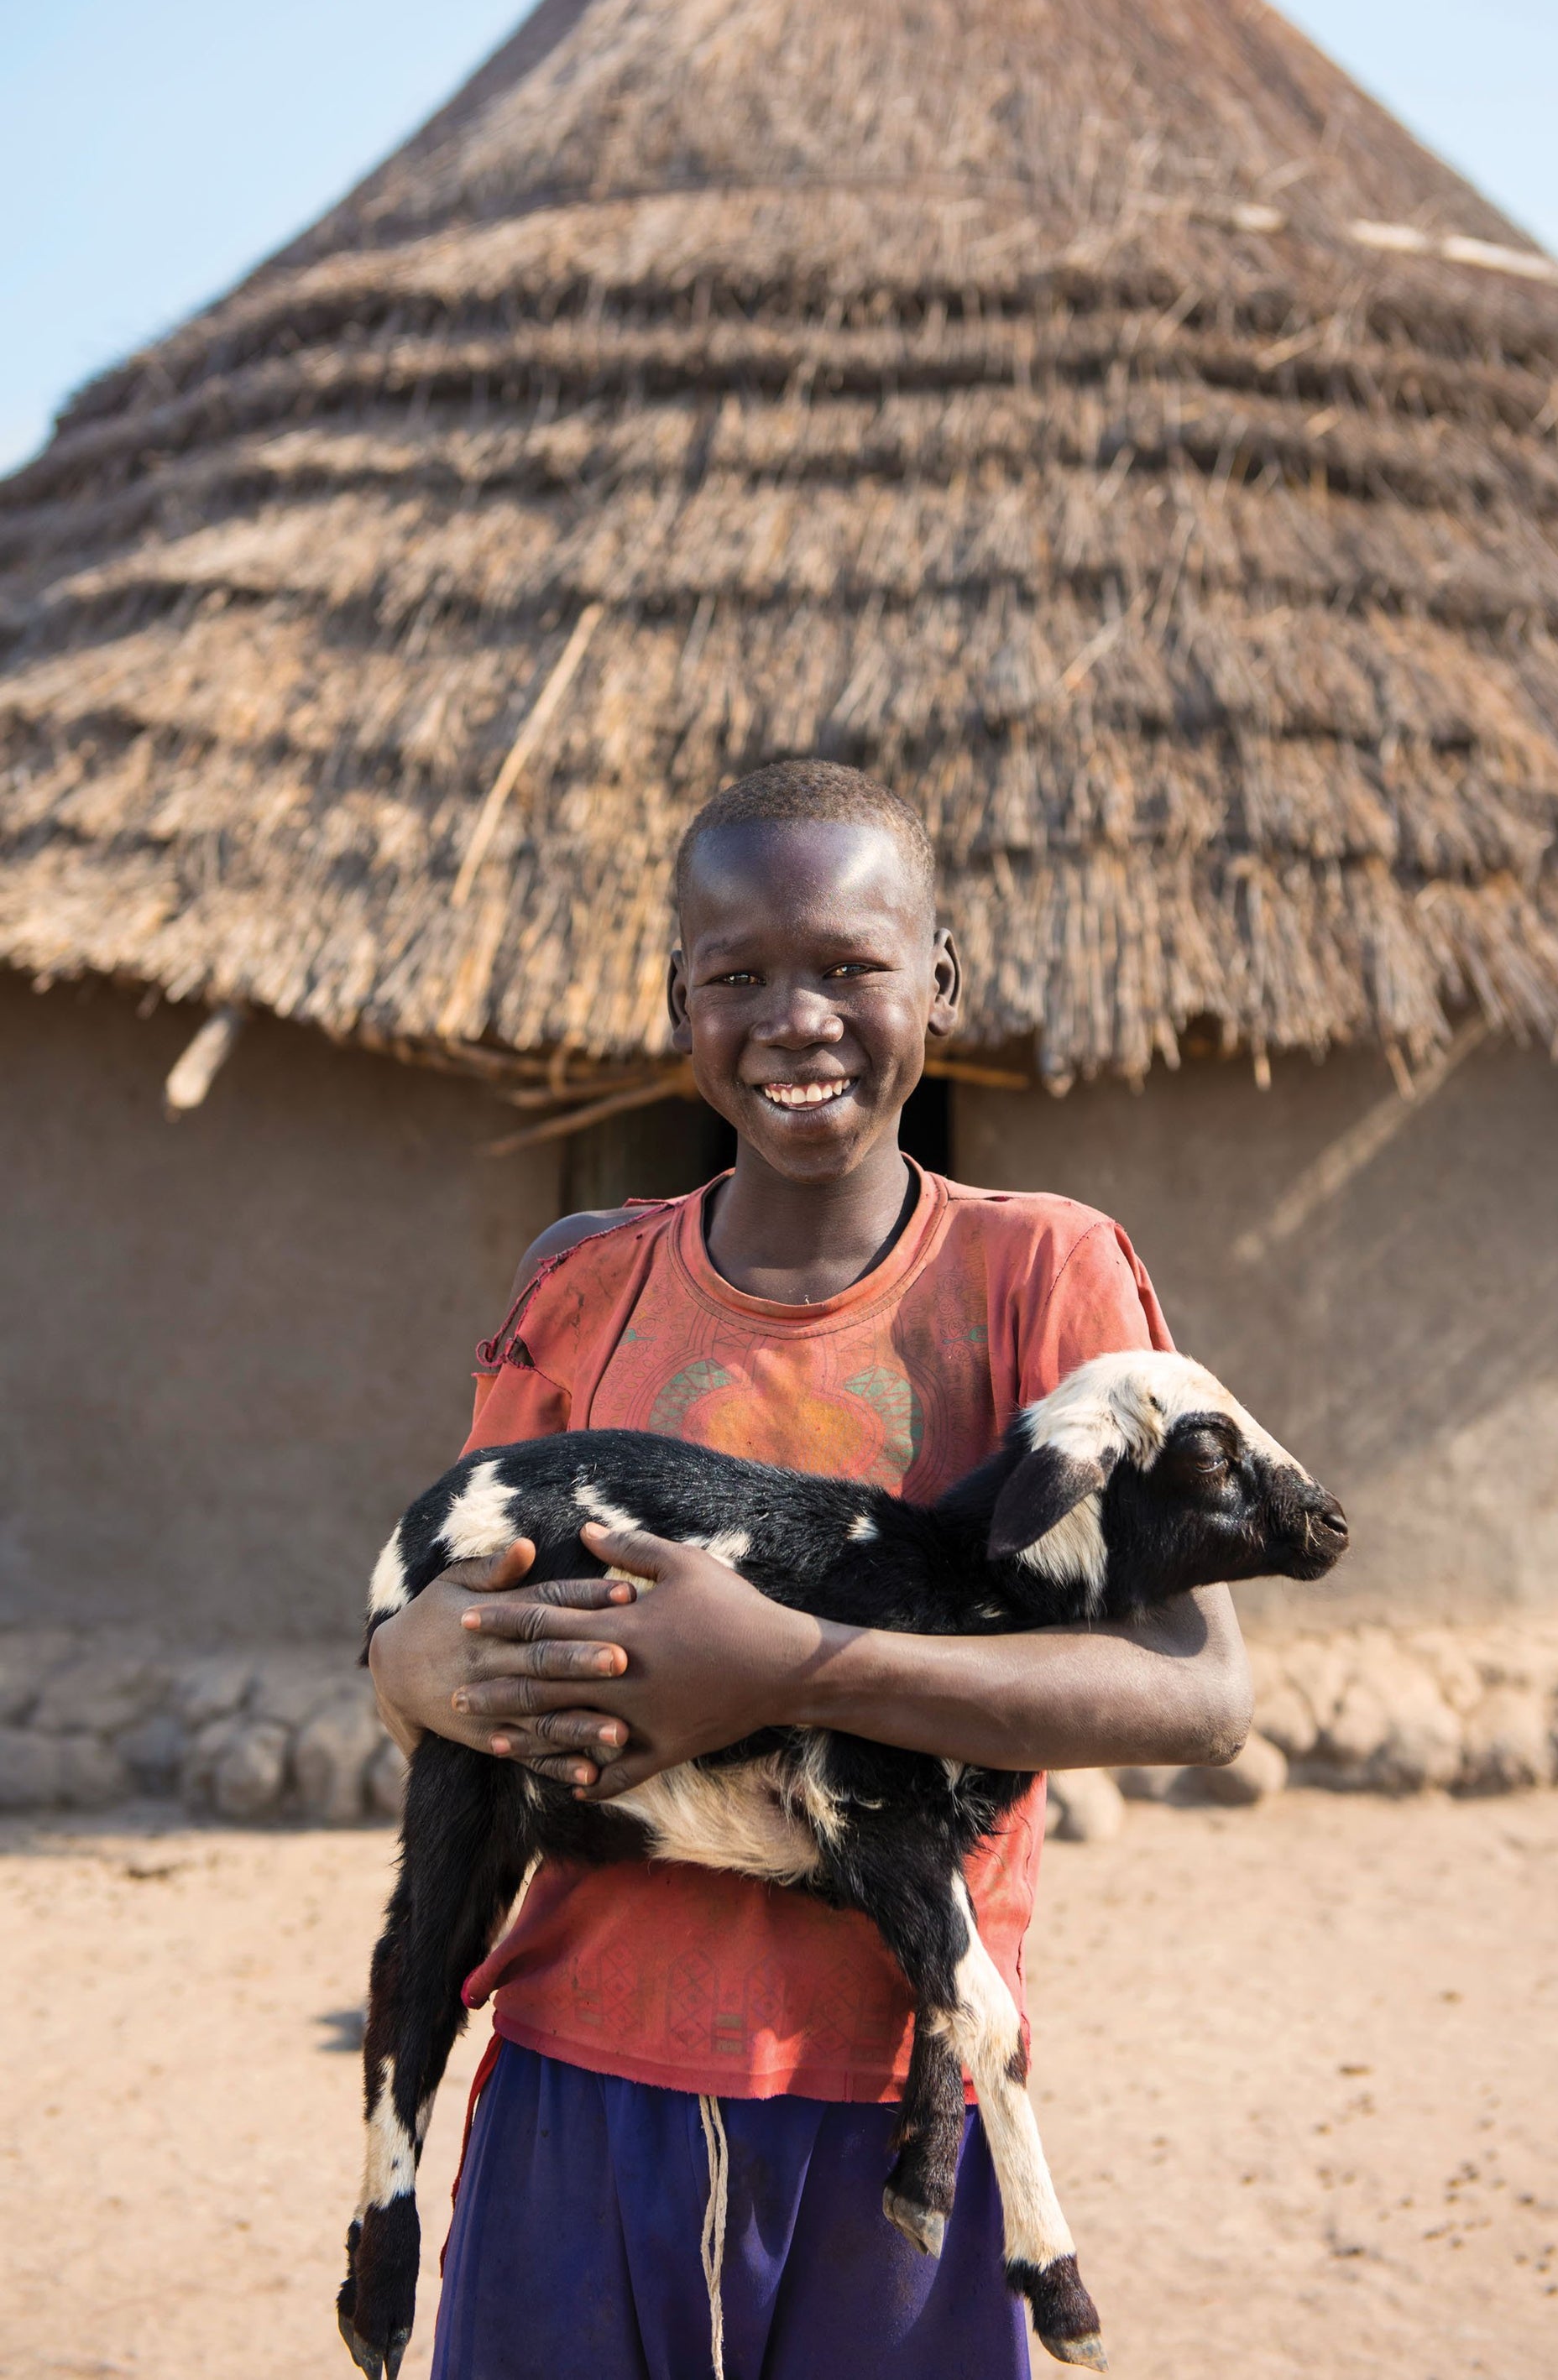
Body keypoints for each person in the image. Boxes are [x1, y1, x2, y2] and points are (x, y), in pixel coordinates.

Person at [369, 759, 1252, 2380]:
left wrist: (789, 1666)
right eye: (740, 976)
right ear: (678, 1001)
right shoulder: (578, 1287)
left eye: (850, 965)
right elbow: (456, 1627)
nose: (799, 1019)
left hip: (896, 2112)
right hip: (576, 2081)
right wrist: (402, 1666)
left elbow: (1198, 1694)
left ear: (941, 977)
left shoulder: (1041, 1277)